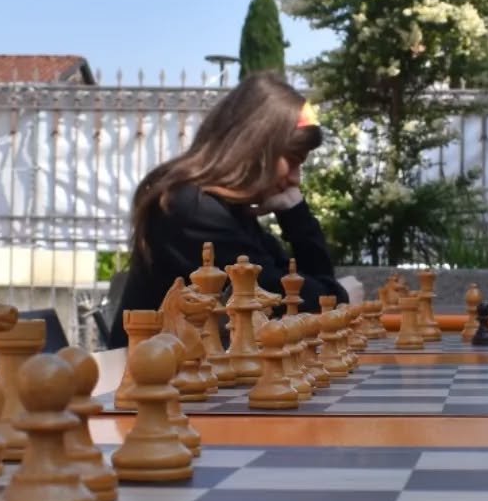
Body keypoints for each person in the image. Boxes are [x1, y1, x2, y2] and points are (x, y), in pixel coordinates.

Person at [107, 72, 344, 346]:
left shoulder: (225, 211)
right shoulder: (189, 210)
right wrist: (338, 296)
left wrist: (294, 212)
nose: (296, 179)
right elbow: (296, 303)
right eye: (292, 160)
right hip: (150, 379)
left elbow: (299, 286)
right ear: (255, 148)